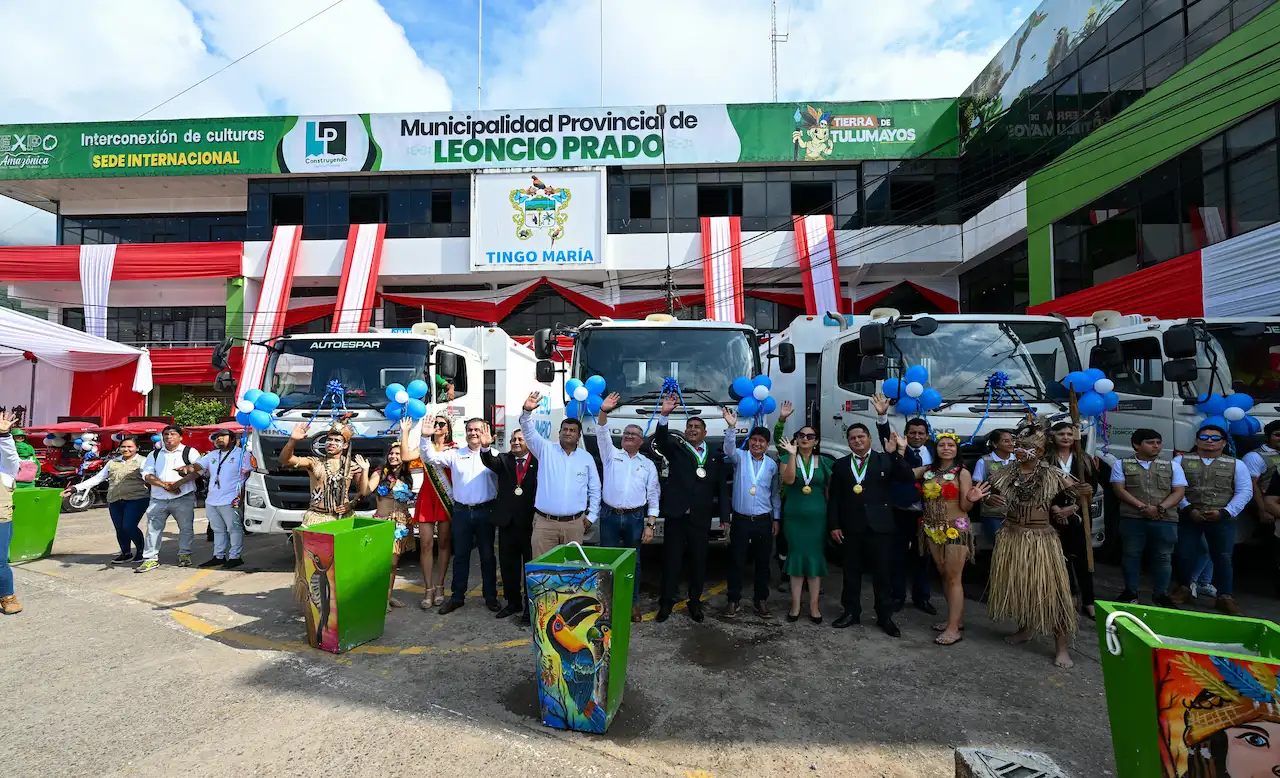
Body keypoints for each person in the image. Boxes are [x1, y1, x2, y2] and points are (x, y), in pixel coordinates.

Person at [982, 414, 1078, 668]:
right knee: (1020, 586)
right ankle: (1025, 629)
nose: (1022, 451)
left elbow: (1082, 493)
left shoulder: (1052, 474)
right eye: (1020, 446)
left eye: (1028, 448)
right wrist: (988, 500)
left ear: (1040, 450)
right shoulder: (1004, 473)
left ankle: (1062, 647)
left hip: (1041, 540)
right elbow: (988, 495)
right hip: (1012, 536)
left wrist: (1069, 508)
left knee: (1053, 592)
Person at [827, 424, 915, 637]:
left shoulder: (885, 459)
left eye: (861, 437)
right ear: (848, 442)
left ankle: (884, 616)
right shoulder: (840, 464)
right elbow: (834, 498)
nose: (857, 441)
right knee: (850, 573)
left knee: (882, 573)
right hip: (851, 526)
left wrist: (895, 454)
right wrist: (834, 525)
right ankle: (850, 612)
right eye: (852, 438)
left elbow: (907, 477)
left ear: (869, 438)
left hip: (881, 526)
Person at [652, 393, 729, 623]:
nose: (693, 429)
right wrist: (664, 414)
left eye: (697, 427)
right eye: (689, 426)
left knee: (698, 561)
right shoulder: (676, 448)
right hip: (677, 515)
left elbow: (722, 490)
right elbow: (662, 440)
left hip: (700, 517)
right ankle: (666, 603)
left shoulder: (715, 457)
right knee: (672, 561)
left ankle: (695, 603)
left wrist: (724, 516)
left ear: (705, 433)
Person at [418, 418, 500, 615]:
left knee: (487, 556)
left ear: (485, 431)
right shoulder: (454, 455)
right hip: (462, 512)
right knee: (460, 556)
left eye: (477, 430)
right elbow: (429, 457)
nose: (473, 433)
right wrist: (424, 436)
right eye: (470, 429)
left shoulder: (495, 455)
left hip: (485, 511)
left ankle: (491, 597)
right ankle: (457, 597)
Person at [913, 432, 988, 646]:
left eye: (950, 445)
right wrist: (898, 451)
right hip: (931, 529)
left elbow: (965, 507)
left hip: (955, 528)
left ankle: (954, 629)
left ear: (956, 450)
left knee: (954, 577)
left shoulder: (961, 473)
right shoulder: (928, 471)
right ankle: (955, 620)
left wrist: (972, 499)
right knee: (944, 575)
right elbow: (903, 473)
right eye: (942, 445)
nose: (946, 448)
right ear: (935, 449)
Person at [279, 421, 364, 609]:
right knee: (313, 567)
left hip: (342, 520)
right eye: (329, 440)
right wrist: (293, 440)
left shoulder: (353, 466)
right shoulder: (313, 463)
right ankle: (314, 608)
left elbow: (363, 491)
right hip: (317, 519)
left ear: (345, 445)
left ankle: (341, 604)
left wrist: (352, 503)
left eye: (336, 440)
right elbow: (286, 459)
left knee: (342, 565)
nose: (331, 443)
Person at [1170, 423, 1251, 616]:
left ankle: (1225, 596)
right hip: (1189, 515)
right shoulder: (1179, 461)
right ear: (1197, 441)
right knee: (1184, 553)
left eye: (1215, 438)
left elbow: (1244, 491)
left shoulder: (1236, 464)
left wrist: (1225, 512)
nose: (1209, 442)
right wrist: (1188, 508)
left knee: (1222, 557)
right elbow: (1174, 488)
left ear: (1223, 443)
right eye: (1204, 438)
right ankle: (1183, 588)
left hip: (1222, 517)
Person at [596, 393, 660, 623]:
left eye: (634, 435)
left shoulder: (648, 465)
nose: (629, 437)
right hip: (610, 516)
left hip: (635, 518)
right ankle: (605, 604)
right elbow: (602, 433)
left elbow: (653, 496)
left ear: (641, 441)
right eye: (626, 434)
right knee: (607, 563)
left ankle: (632, 603)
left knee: (634, 563)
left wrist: (650, 524)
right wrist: (603, 412)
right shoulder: (611, 455)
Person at [872, 393, 937, 617]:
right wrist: (882, 416)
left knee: (923, 557)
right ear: (906, 435)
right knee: (897, 557)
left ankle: (922, 598)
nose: (917, 436)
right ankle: (897, 596)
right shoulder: (899, 449)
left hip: (929, 513)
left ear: (927, 435)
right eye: (913, 433)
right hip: (901, 511)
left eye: (921, 433)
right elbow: (885, 437)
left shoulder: (936, 451)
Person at [1110, 428, 1186, 607]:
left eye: (1158, 443)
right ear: (1137, 445)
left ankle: (1161, 594)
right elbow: (1119, 490)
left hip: (1165, 519)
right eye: (1150, 442)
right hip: (1132, 518)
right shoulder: (1121, 464)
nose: (1156, 446)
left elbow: (1179, 492)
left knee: (1163, 557)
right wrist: (1142, 507)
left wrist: (1159, 508)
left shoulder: (1172, 465)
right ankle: (1130, 592)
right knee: (1131, 555)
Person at [520, 392, 600, 558]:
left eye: (572, 430)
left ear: (578, 436)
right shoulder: (545, 450)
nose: (568, 433)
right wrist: (526, 412)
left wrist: (592, 516)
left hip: (575, 525)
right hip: (545, 524)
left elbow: (595, 489)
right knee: (542, 571)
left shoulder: (586, 458)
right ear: (559, 433)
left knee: (571, 573)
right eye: (564, 429)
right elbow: (528, 432)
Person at [722, 407, 782, 619]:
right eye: (754, 440)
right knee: (737, 561)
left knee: (763, 563)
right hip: (741, 520)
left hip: (764, 520)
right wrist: (731, 427)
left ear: (767, 445)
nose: (757, 444)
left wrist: (776, 518)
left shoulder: (772, 465)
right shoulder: (740, 457)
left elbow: (774, 494)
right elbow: (728, 449)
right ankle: (733, 600)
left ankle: (761, 600)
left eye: (762, 441)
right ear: (749, 441)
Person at [777, 417, 832, 623]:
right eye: (801, 435)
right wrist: (792, 456)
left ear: (816, 441)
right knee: (797, 558)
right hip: (794, 516)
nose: (805, 438)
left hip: (818, 517)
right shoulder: (785, 459)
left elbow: (829, 490)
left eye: (810, 436)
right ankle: (795, 604)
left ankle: (815, 605)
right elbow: (789, 480)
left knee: (815, 560)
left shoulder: (825, 461)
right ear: (796, 439)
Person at [481, 429, 538, 623]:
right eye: (513, 439)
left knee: (529, 566)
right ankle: (513, 602)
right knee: (508, 566)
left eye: (520, 439)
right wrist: (486, 447)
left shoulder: (538, 462)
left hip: (530, 523)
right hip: (507, 523)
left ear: (528, 442)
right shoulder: (504, 459)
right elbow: (489, 460)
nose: (515, 442)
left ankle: (530, 607)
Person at [65, 437, 149, 564]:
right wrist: (75, 488)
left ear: (137, 448)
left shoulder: (144, 461)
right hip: (114, 499)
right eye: (123, 446)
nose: (126, 449)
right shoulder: (113, 462)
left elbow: (148, 477)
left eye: (130, 446)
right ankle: (125, 553)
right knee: (119, 528)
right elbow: (98, 478)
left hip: (136, 498)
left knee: (129, 526)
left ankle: (141, 552)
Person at [1046, 421, 1099, 620]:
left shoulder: (1083, 459)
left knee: (1084, 560)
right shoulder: (1046, 460)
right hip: (1054, 514)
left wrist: (1074, 507)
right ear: (1053, 436)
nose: (1066, 437)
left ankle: (1089, 600)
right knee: (1061, 558)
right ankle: (1070, 596)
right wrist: (1056, 508)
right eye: (1061, 434)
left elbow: (1091, 486)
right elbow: (1043, 488)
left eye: (1069, 434)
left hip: (1079, 513)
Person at [401, 413, 455, 608]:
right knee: (425, 545)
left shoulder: (455, 449)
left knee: (443, 544)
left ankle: (440, 585)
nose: (437, 427)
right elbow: (405, 457)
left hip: (445, 498)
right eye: (435, 423)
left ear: (448, 429)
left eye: (441, 424)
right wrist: (405, 432)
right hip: (427, 498)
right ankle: (428, 588)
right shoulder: (425, 447)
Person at [136, 426, 202, 573]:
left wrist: (178, 484)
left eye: (173, 434)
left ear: (180, 437)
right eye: (166, 434)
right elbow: (146, 474)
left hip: (183, 497)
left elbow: (199, 471)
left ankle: (184, 554)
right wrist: (164, 485)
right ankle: (150, 559)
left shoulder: (189, 452)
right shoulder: (154, 454)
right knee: (153, 529)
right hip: (158, 498)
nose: (169, 437)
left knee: (185, 528)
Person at [360, 442, 417, 611]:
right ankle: (379, 597)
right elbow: (365, 491)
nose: (393, 456)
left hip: (400, 523)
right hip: (383, 523)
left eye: (398, 454)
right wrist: (364, 470)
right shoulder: (380, 473)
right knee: (383, 563)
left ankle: (388, 596)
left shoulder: (408, 474)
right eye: (391, 453)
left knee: (393, 563)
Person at [188, 429, 249, 570]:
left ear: (233, 439)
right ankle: (218, 556)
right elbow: (199, 467)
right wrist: (187, 468)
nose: (218, 439)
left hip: (232, 498)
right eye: (216, 437)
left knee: (234, 528)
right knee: (217, 529)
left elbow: (250, 475)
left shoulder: (242, 454)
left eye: (222, 436)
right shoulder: (211, 455)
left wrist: (242, 496)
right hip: (212, 499)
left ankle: (235, 557)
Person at [1243, 419, 1280, 593]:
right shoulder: (1255, 456)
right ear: (1268, 437)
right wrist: (1262, 510)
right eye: (1277, 435)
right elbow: (1252, 485)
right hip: (1267, 505)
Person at [971, 428, 1016, 545]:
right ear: (995, 444)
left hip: (1017, 514)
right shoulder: (984, 461)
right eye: (1006, 441)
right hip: (993, 513)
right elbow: (976, 486)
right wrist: (987, 497)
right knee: (1000, 546)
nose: (1011, 444)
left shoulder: (1018, 461)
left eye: (1012, 440)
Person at [0, 412, 23, 614]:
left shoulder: (6, 471)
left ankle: (7, 596)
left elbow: (10, 456)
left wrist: (4, 435)